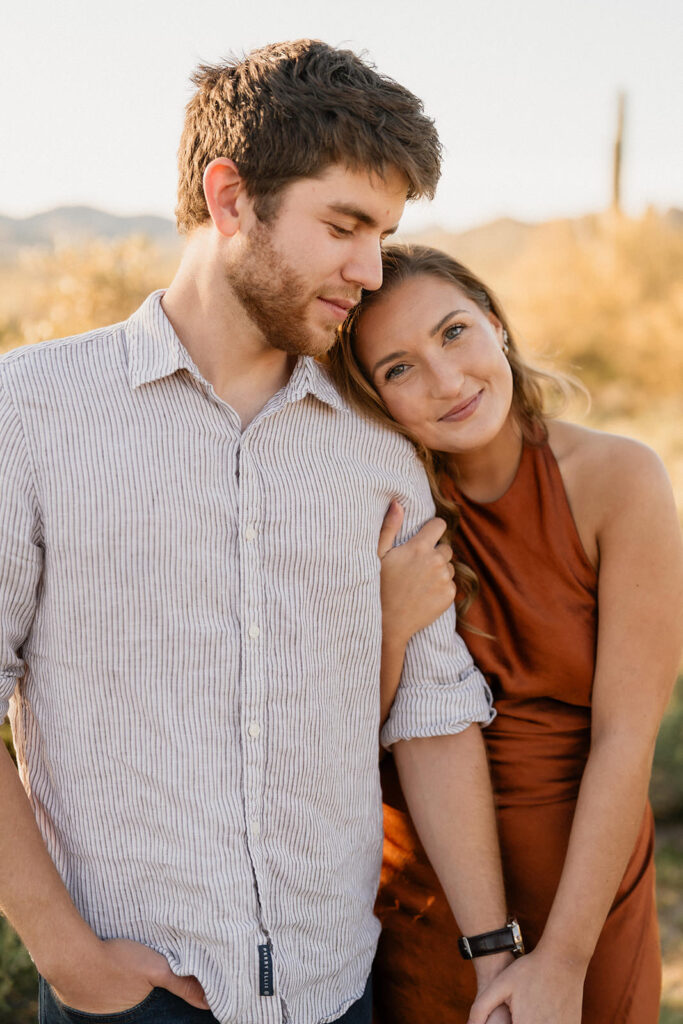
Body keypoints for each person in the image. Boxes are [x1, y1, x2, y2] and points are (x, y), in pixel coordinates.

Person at [0, 43, 516, 1024]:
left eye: (385, 233)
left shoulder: (375, 448)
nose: (370, 271)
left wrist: (491, 954)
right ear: (231, 196)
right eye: (344, 225)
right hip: (132, 994)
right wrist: (69, 957)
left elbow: (433, 713)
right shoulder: (30, 411)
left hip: (340, 990)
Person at [328, 243, 683, 1024]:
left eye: (453, 333)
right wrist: (388, 626)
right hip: (428, 897)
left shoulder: (618, 481)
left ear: (494, 324)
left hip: (584, 894)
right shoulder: (378, 508)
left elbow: (626, 738)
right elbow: (334, 740)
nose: (446, 381)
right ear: (373, 398)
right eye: (398, 368)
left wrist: (562, 958)